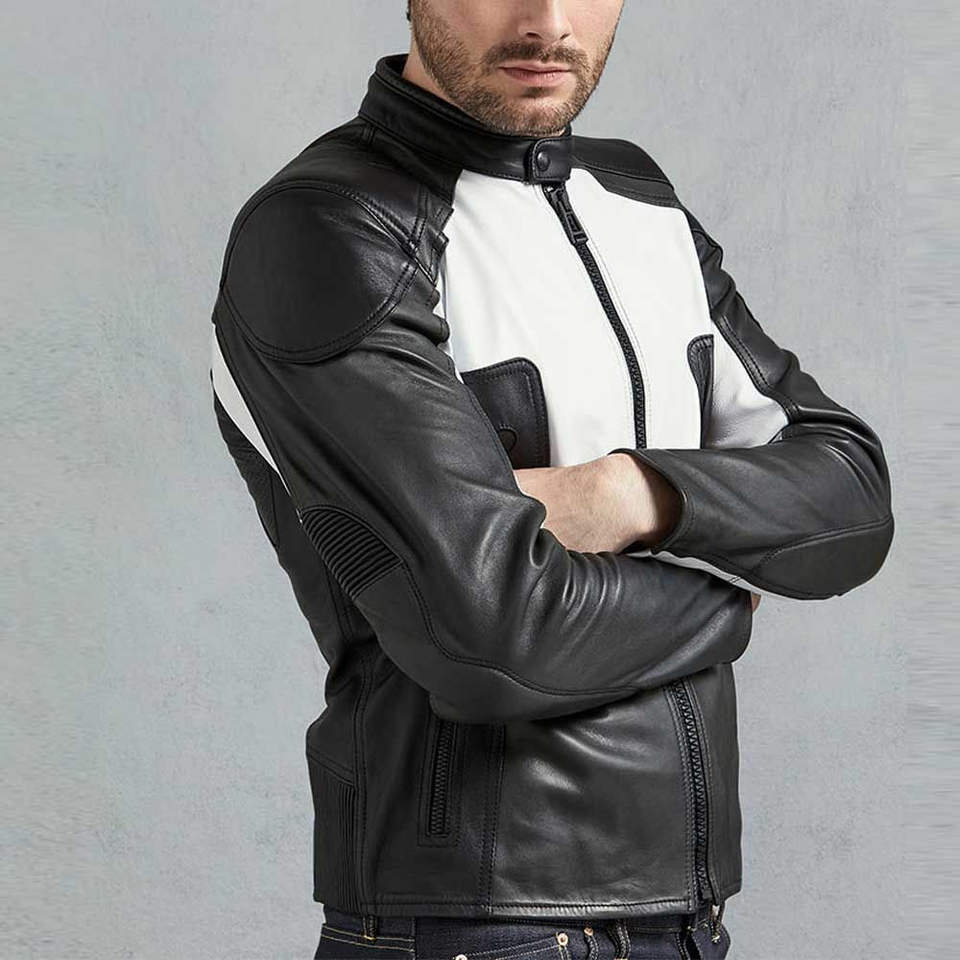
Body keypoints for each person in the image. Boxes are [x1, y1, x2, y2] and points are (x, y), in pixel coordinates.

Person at [207, 2, 895, 957]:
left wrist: (627, 495)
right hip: (471, 925)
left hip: (685, 920)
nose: (548, 20)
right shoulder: (331, 227)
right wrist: (727, 596)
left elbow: (852, 498)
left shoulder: (640, 201)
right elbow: (494, 636)